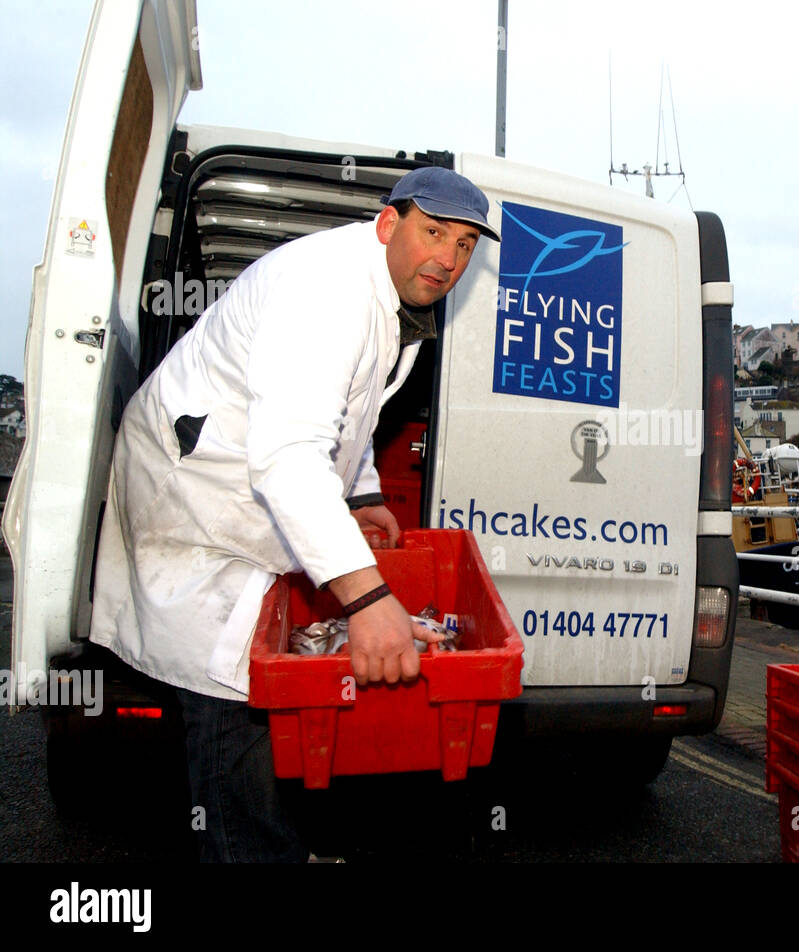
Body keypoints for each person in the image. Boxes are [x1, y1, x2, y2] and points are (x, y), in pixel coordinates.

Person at [88, 166, 499, 861]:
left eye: (464, 245)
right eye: (434, 233)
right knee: (227, 688)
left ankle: (266, 846)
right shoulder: (326, 292)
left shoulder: (397, 298)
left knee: (257, 691)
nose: (448, 258)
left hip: (241, 503)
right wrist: (368, 599)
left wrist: (363, 490)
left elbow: (347, 414)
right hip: (197, 505)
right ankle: (248, 852)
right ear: (388, 224)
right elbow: (286, 459)